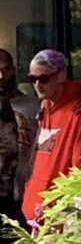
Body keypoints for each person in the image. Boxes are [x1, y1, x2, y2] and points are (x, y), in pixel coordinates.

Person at [21, 49, 81, 225]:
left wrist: (68, 211)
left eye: (44, 78)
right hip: (38, 212)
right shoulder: (46, 105)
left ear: (61, 76)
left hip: (59, 216)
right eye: (33, 79)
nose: (37, 85)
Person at [0, 49, 37, 210]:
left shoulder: (35, 105)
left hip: (28, 189)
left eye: (6, 69)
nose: (1, 76)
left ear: (13, 70)